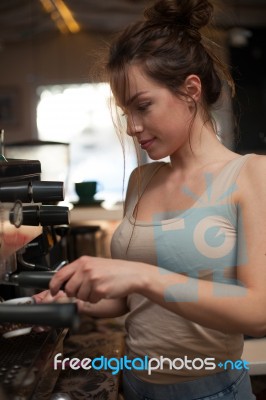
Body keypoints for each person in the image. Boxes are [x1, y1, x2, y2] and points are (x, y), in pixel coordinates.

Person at [35, 0, 266, 398]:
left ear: (190, 90)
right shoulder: (140, 180)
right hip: (136, 384)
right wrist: (69, 299)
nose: (132, 127)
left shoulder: (248, 175)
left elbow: (258, 312)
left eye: (143, 106)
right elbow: (127, 301)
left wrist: (142, 275)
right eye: (126, 112)